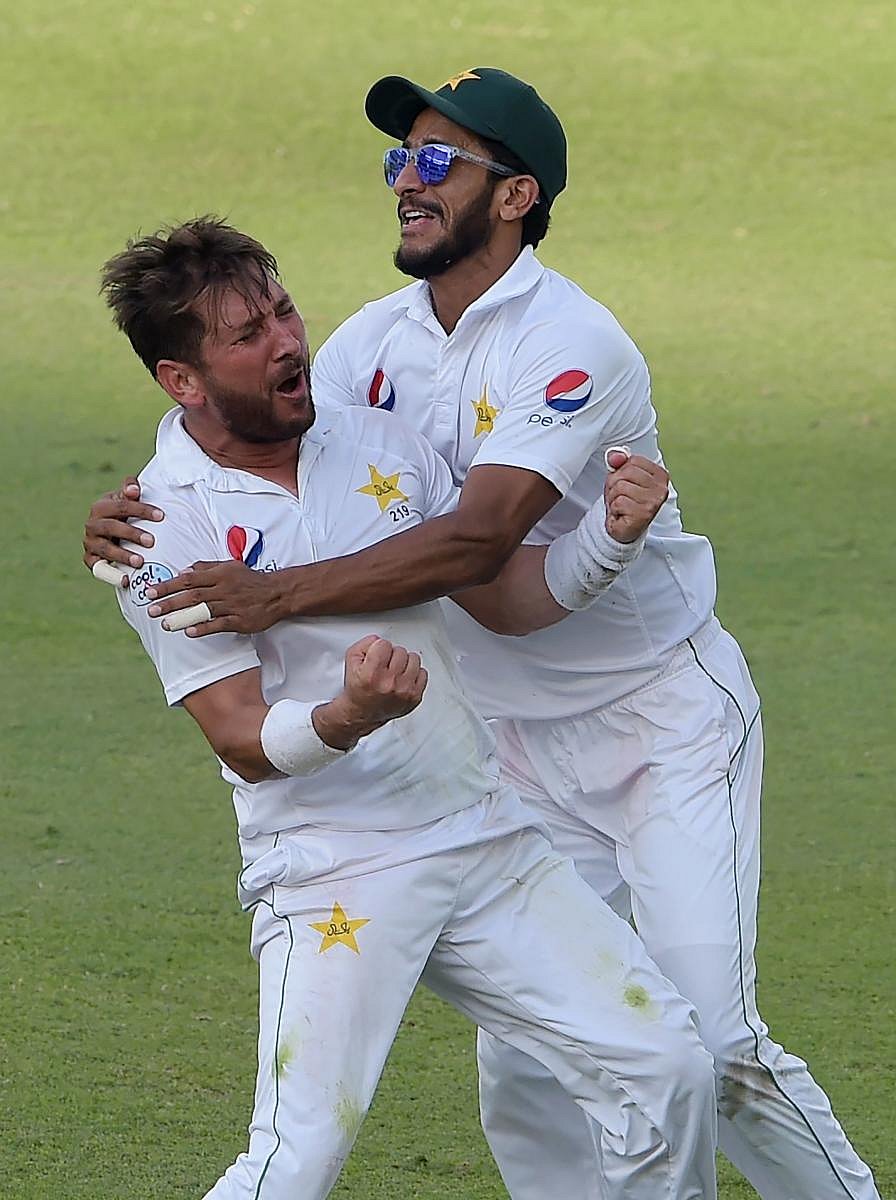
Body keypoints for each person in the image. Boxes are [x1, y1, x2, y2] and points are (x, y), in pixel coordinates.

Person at [83, 72, 881, 1200]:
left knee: (706, 1047)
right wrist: (123, 526)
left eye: (432, 163)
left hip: (647, 718)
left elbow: (476, 552)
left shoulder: (571, 341)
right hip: (477, 761)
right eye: (396, 161)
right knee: (525, 1080)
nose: (404, 183)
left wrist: (285, 596)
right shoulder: (363, 355)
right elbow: (228, 454)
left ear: (512, 196)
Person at [94, 216, 716, 1200]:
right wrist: (347, 715)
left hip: (481, 837)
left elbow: (504, 601)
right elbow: (239, 739)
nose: (287, 340)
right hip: (335, 871)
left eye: (282, 309)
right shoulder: (158, 531)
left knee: (666, 1069)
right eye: (245, 335)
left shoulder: (378, 443)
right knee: (296, 1160)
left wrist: (609, 537)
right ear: (183, 380)